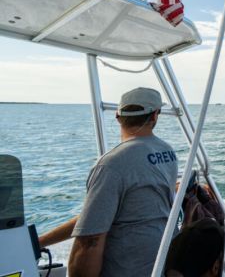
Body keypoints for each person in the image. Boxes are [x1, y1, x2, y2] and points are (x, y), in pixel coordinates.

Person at [39, 87, 178, 276]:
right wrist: (40, 242)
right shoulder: (168, 152)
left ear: (118, 117)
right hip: (160, 262)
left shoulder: (112, 164)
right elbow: (99, 215)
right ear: (155, 116)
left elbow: (90, 241)